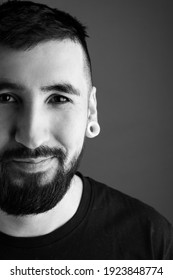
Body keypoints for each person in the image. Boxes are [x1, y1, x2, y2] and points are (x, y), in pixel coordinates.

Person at [0, 0, 172, 260]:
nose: (31, 137)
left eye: (59, 99)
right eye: (5, 99)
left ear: (90, 111)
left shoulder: (150, 242)